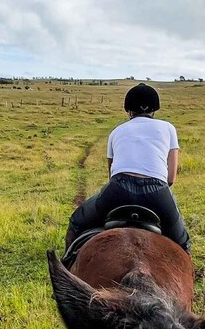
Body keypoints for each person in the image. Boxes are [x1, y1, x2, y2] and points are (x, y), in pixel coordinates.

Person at [65, 83, 191, 253]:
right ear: (154, 108)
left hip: (118, 190)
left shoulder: (116, 131)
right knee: (182, 243)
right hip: (157, 194)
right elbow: (170, 179)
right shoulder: (168, 128)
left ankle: (65, 269)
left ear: (128, 109)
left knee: (77, 222)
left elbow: (112, 175)